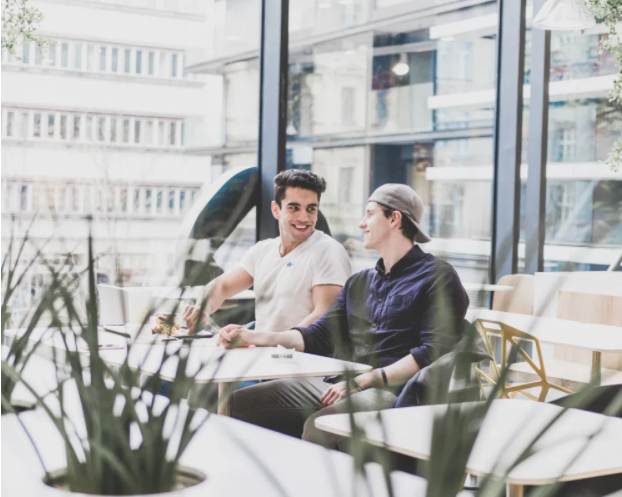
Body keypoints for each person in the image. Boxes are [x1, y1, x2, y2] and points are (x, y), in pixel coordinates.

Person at [217, 184, 469, 449]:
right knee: (236, 404)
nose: (362, 224)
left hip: (391, 392)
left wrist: (364, 380)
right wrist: (253, 336)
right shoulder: (360, 282)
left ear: (394, 218)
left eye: (370, 214)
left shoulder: (438, 277)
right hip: (339, 382)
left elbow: (431, 352)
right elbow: (316, 336)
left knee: (321, 426)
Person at [184, 169, 351, 335]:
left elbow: (324, 318)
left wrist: (258, 338)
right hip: (265, 354)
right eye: (294, 208)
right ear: (276, 210)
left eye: (311, 209)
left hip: (304, 358)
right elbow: (221, 286)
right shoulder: (262, 250)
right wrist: (202, 308)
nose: (304, 218)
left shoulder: (328, 251)